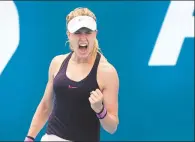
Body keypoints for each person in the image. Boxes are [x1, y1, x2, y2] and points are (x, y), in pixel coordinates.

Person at [24, 7, 119, 142]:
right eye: (77, 32)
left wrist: (100, 110)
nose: (83, 38)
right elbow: (45, 106)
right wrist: (29, 138)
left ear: (95, 34)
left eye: (88, 32)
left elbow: (112, 127)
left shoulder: (107, 72)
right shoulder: (57, 63)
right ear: (69, 35)